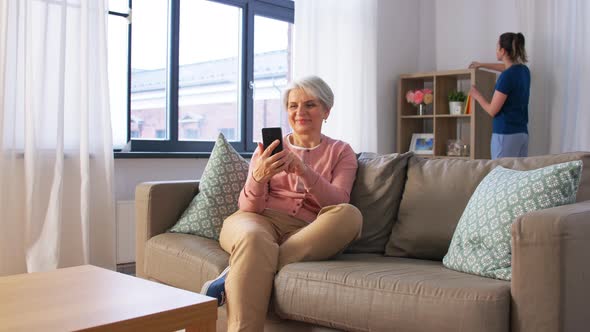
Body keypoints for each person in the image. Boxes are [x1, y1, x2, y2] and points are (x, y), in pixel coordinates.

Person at [201, 75, 363, 332]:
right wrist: (258, 177)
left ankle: (236, 272)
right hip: (258, 220)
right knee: (254, 238)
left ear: (326, 111)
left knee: (350, 215)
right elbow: (249, 208)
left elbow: (337, 201)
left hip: (306, 230)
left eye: (310, 105)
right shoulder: (268, 148)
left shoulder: (342, 152)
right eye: (293, 105)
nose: (300, 112)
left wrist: (303, 171)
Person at [469, 32, 531, 159]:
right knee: (517, 176)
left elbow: (492, 110)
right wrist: (482, 64)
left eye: (497, 47)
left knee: (501, 175)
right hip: (522, 134)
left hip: (505, 134)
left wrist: (477, 96)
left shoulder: (506, 77)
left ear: (502, 51)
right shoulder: (524, 71)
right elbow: (506, 68)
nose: (496, 50)